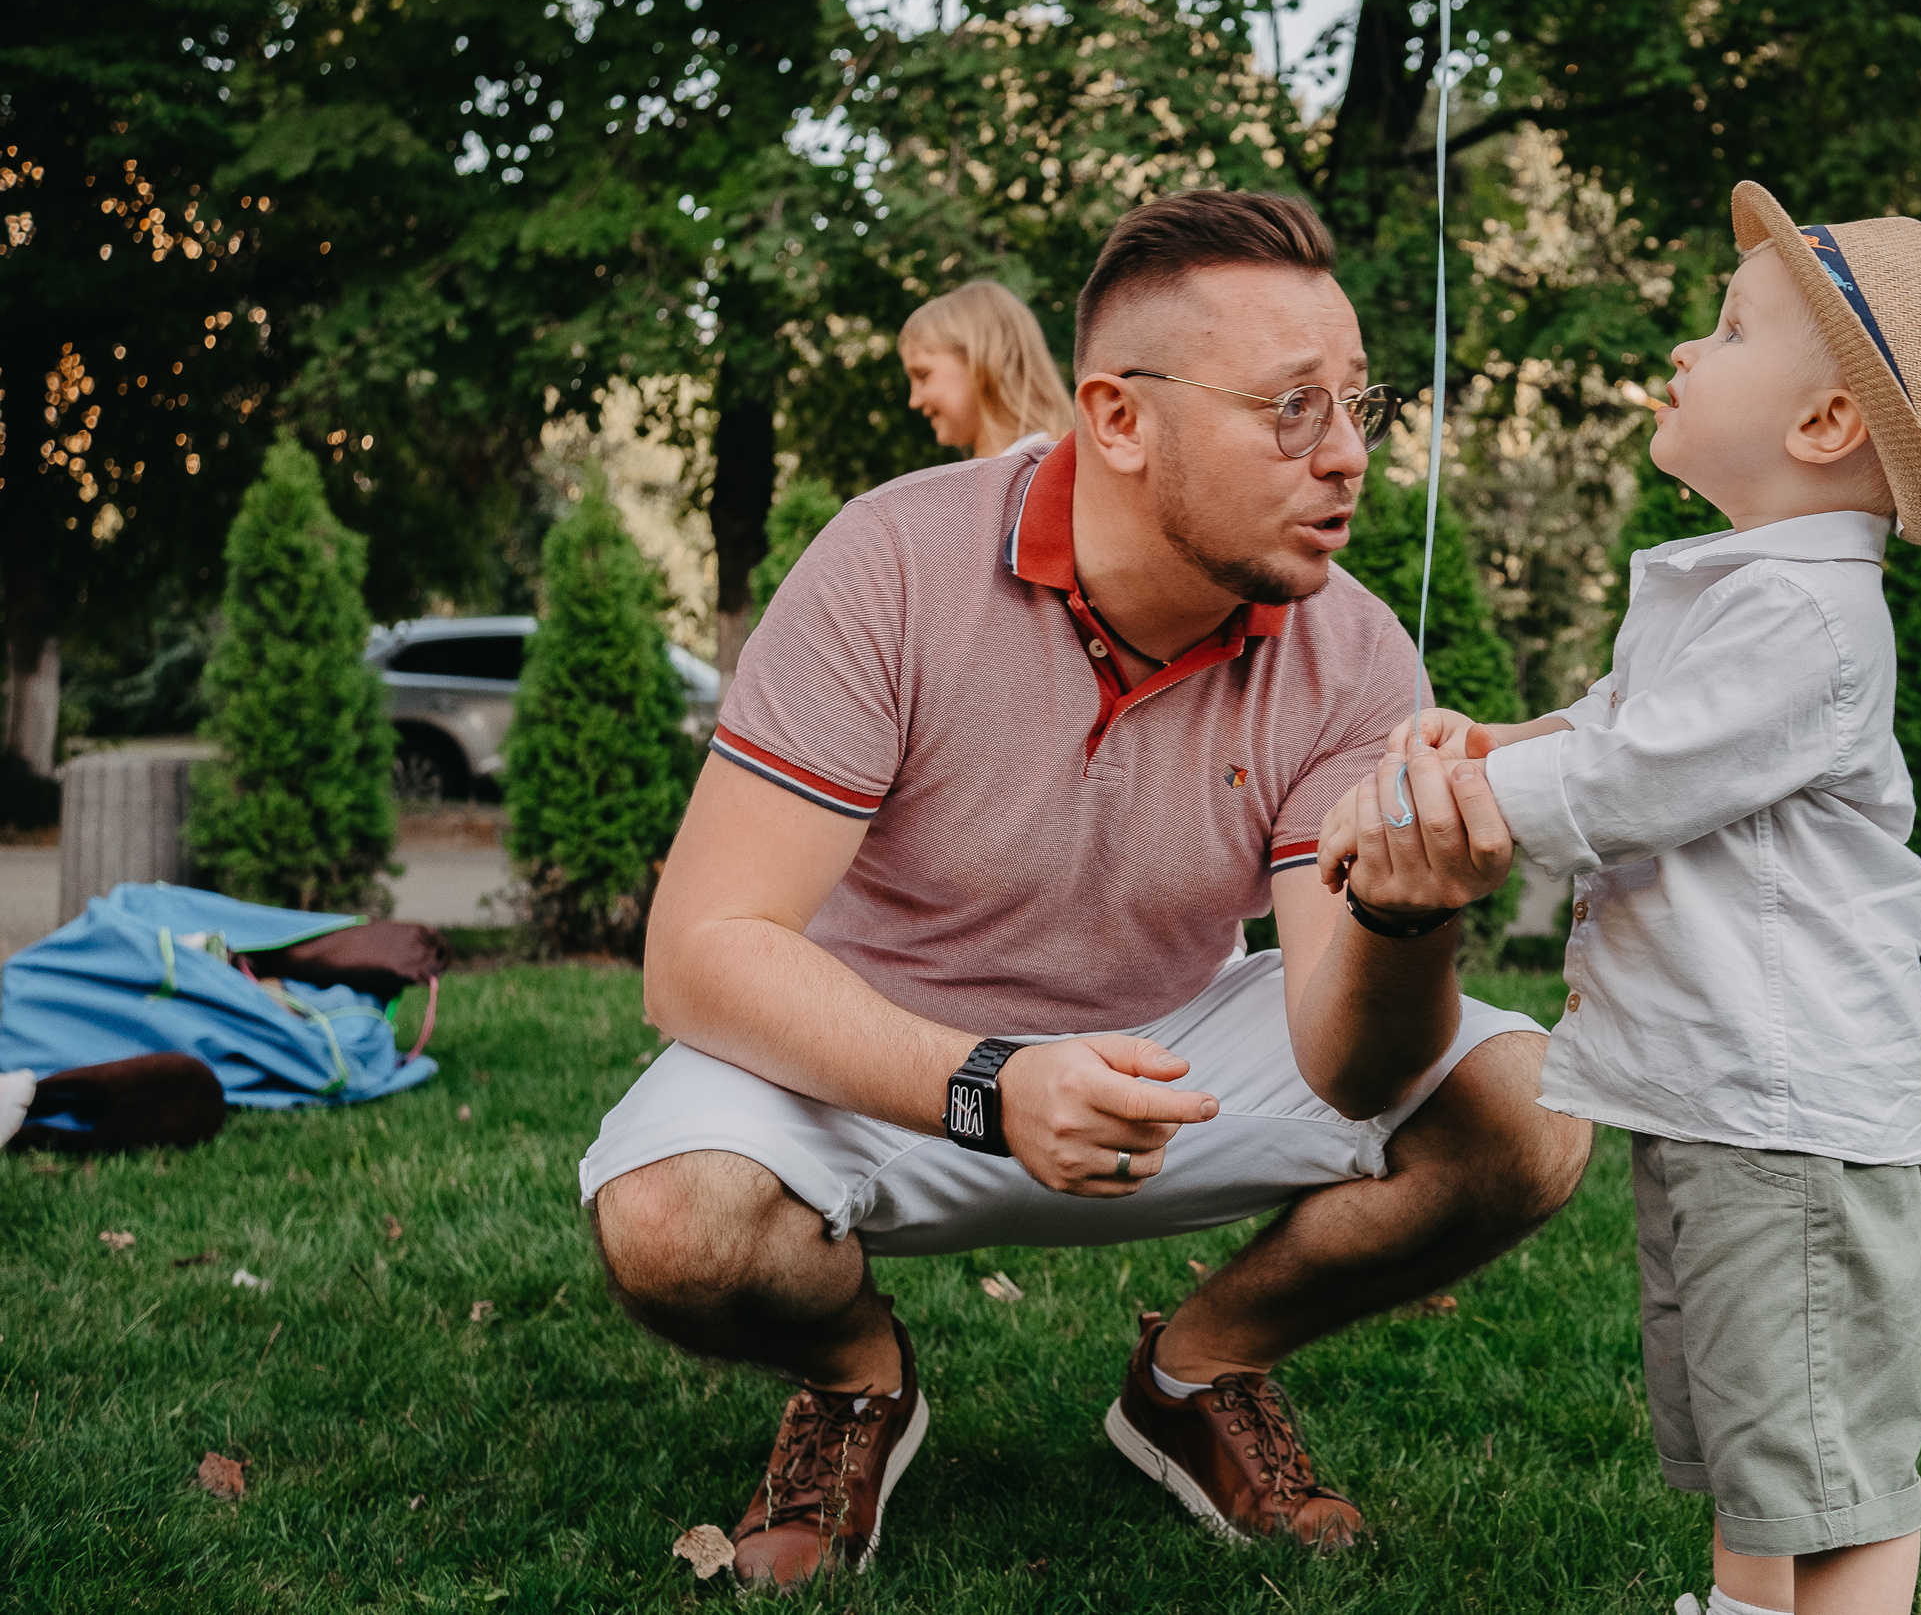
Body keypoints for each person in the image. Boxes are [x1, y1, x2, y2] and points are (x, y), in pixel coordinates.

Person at [579, 189, 1590, 1589]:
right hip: (879, 1052)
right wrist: (991, 1084)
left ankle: (1196, 1370)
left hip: (1175, 1051)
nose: (1349, 455)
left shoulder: (1353, 649)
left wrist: (1408, 919)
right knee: (670, 1220)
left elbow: (1352, 1068)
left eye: (1360, 404)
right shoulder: (890, 562)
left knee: (1529, 1109)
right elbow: (698, 952)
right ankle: (858, 1376)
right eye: (1292, 408)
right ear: (1118, 419)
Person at [1320, 181, 1921, 1615]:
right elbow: (1614, 729)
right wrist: (1493, 747)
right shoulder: (1743, 589)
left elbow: (1640, 777)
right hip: (1722, 1095)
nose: (1689, 348)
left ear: (1825, 423)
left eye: (1732, 329)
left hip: (1788, 1112)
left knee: (1825, 1465)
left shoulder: (1807, 613)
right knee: (1756, 1442)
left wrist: (1454, 812)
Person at [899, 278, 1076, 459]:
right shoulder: (987, 469)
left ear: (982, 361)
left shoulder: (1048, 463)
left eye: (923, 375)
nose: (914, 401)